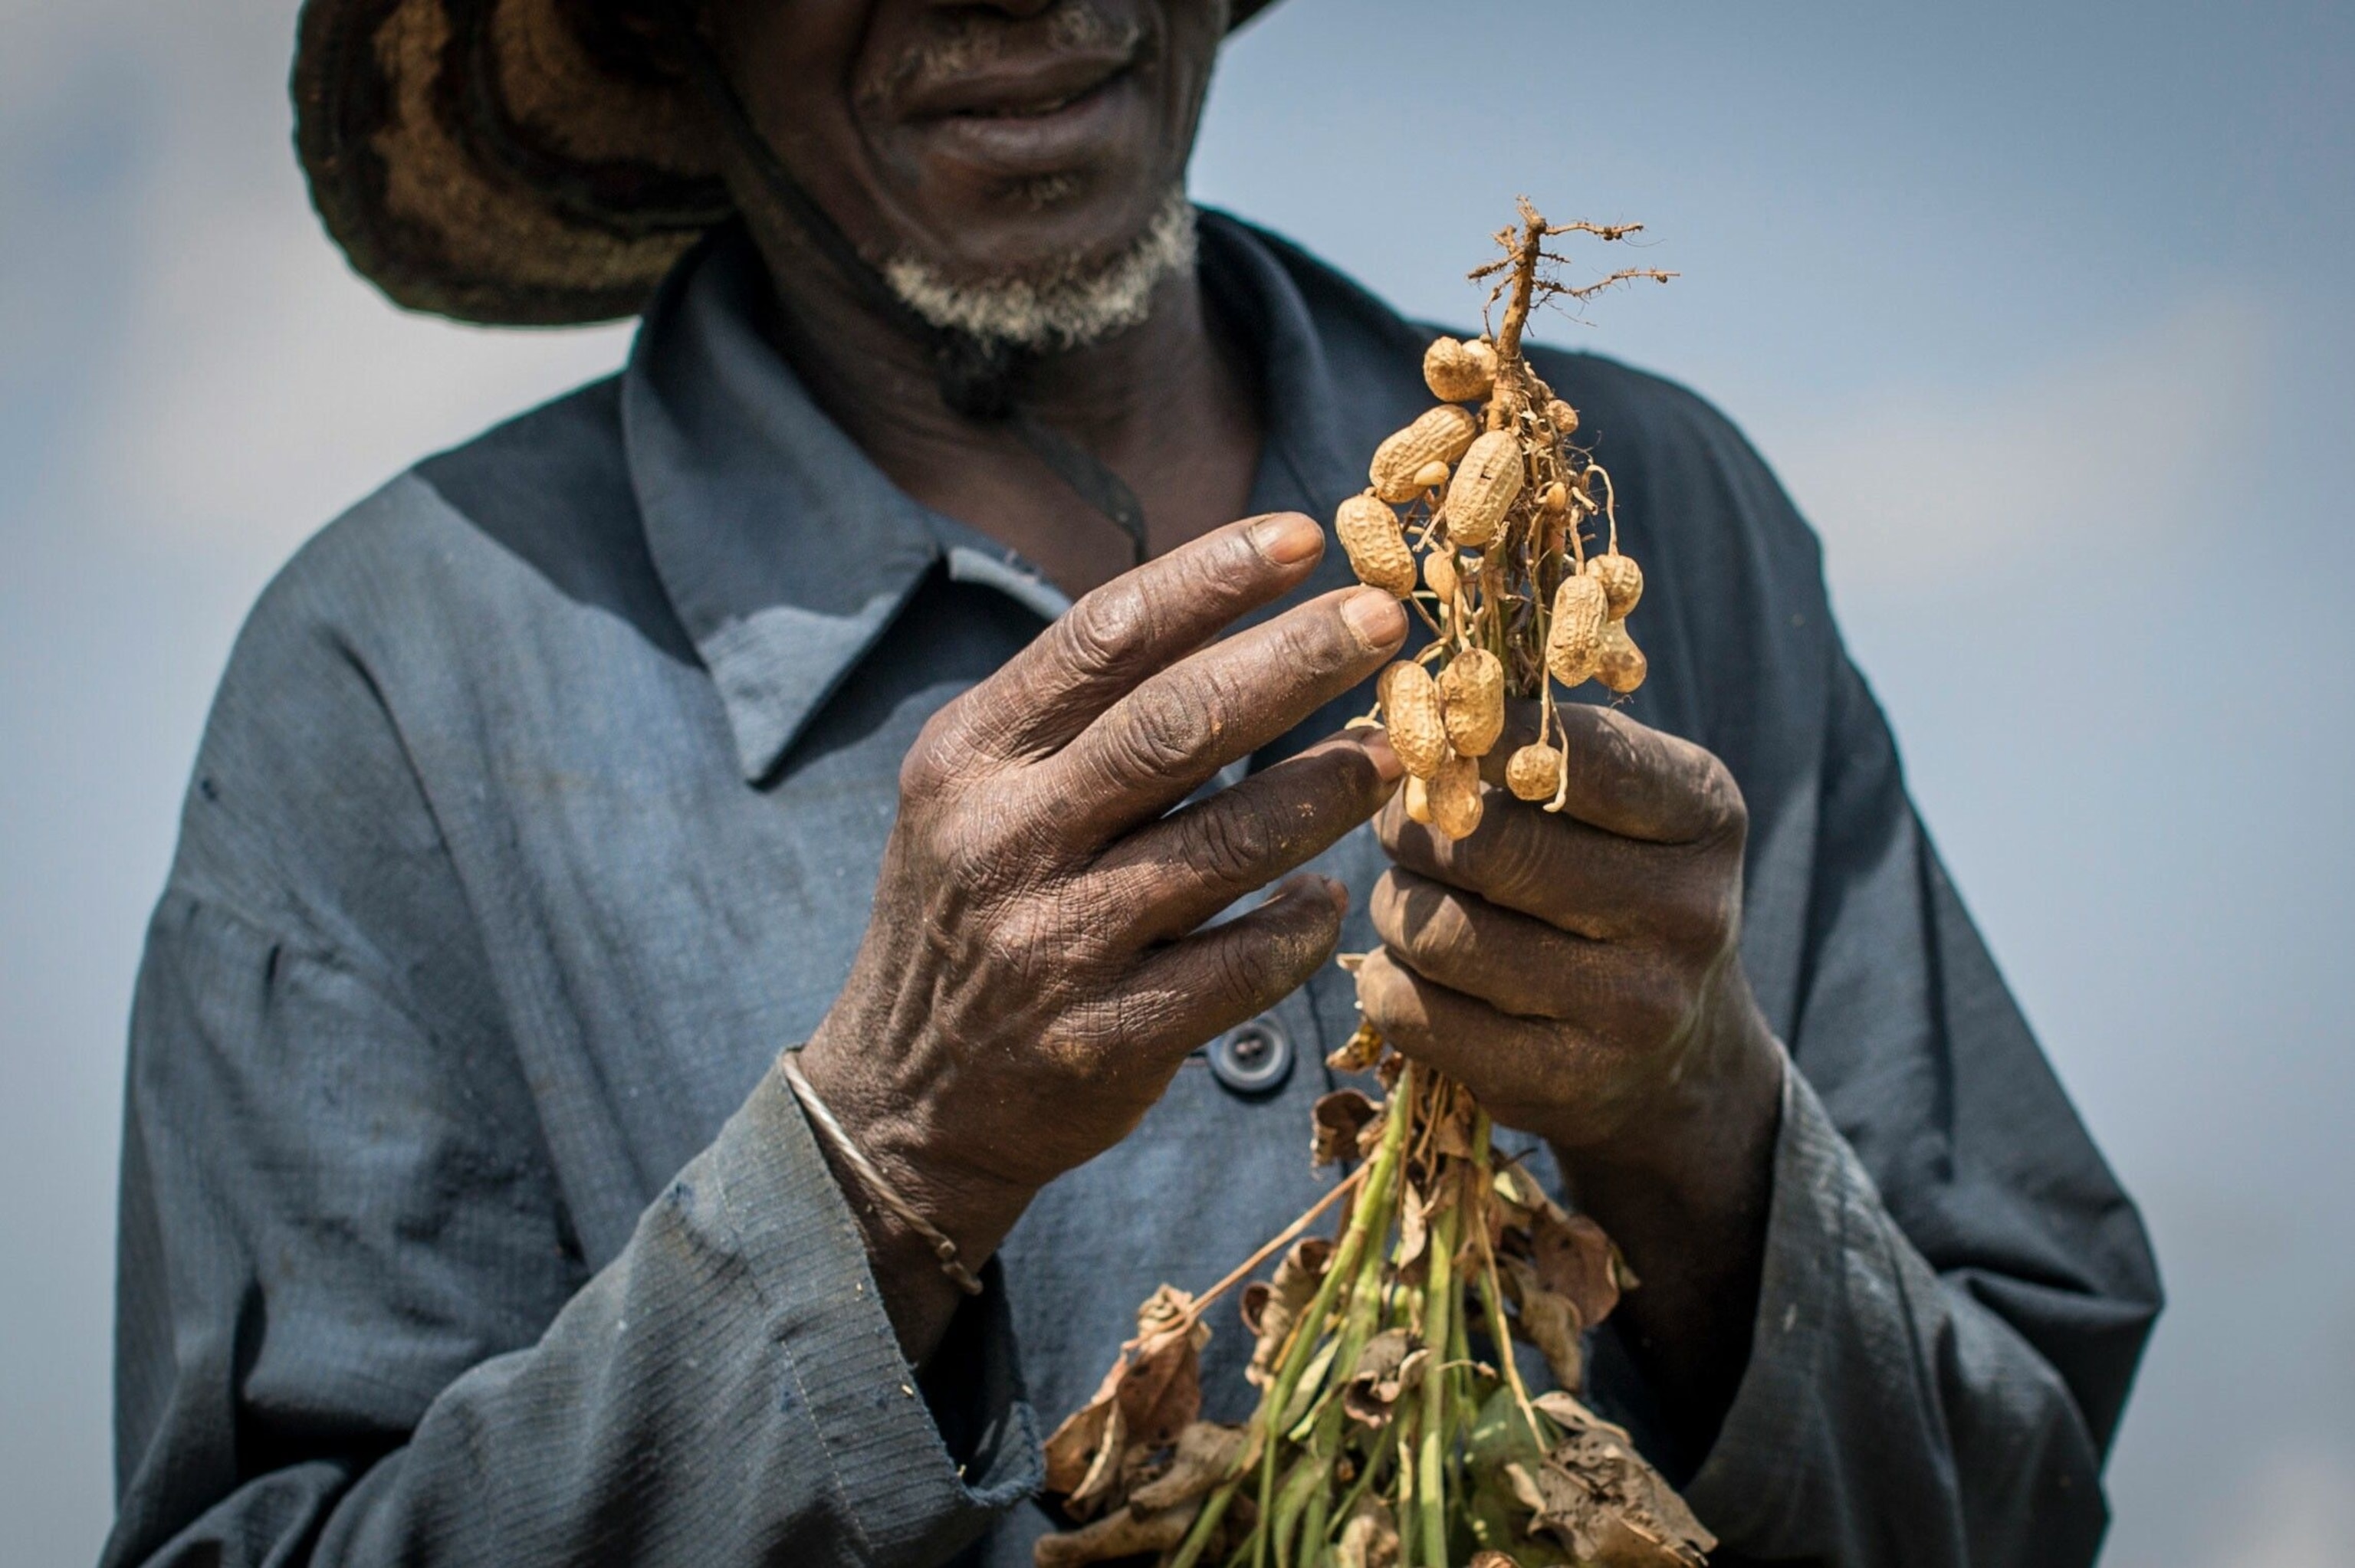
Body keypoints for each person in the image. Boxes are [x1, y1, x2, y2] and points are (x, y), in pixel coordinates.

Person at [103, 1, 2161, 1563]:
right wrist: (885, 1165)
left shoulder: (1647, 515)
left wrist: (1698, 1134)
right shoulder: (392, 671)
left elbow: (2022, 1491)